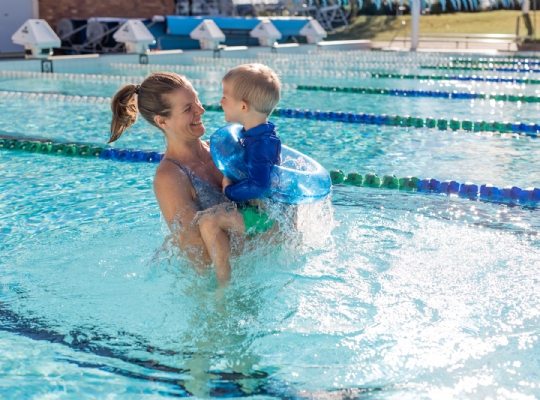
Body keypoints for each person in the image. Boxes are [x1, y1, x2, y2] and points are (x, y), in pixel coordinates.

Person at [109, 71, 241, 286]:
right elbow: (198, 255)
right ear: (162, 121)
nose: (201, 109)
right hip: (214, 293)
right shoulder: (170, 177)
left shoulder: (221, 150)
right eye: (188, 108)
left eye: (196, 100)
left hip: (243, 272)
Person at [195, 63, 282, 285]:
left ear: (243, 107)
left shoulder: (260, 145)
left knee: (208, 222)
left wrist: (229, 190)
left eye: (225, 96)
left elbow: (259, 186)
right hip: (259, 211)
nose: (220, 101)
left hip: (264, 217)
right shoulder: (255, 136)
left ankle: (224, 283)